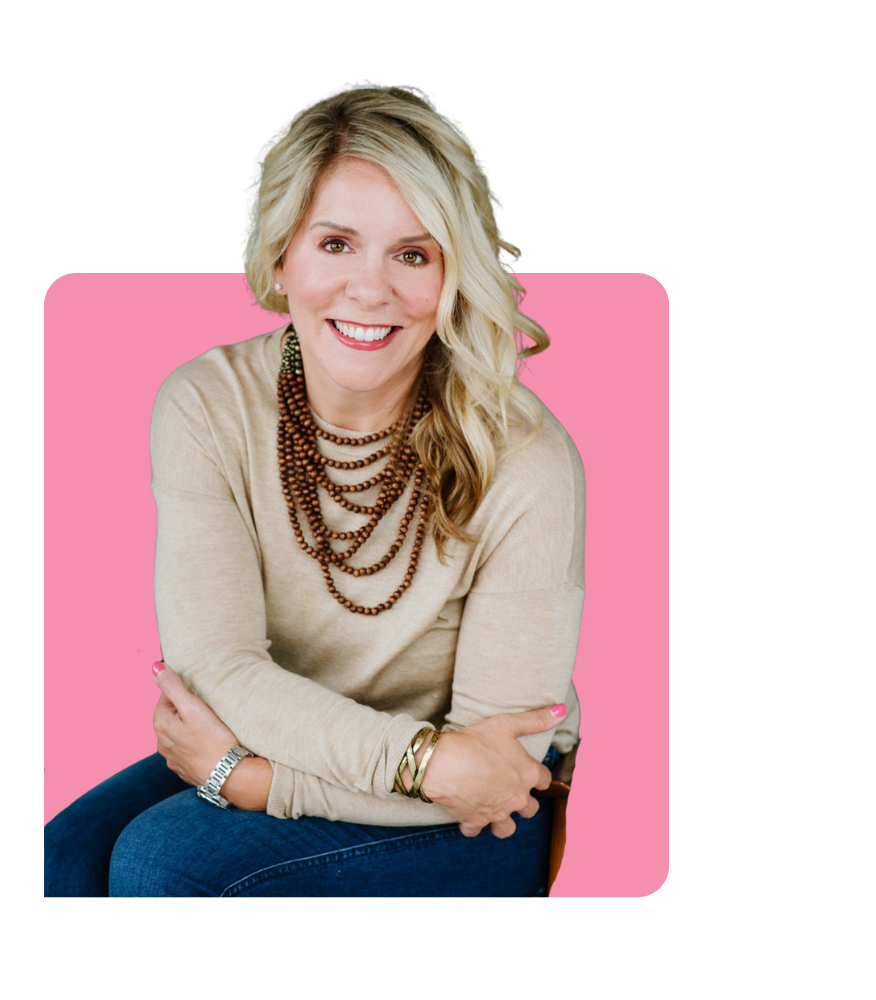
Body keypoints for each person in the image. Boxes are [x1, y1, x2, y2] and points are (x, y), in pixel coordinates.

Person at [43, 80, 584, 910]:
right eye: (336, 244)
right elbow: (217, 668)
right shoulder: (206, 405)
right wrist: (415, 759)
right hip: (359, 755)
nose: (370, 290)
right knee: (61, 863)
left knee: (166, 864)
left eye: (413, 253)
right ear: (281, 253)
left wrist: (250, 779)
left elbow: (493, 773)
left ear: (452, 274)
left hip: (473, 822)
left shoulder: (528, 459)